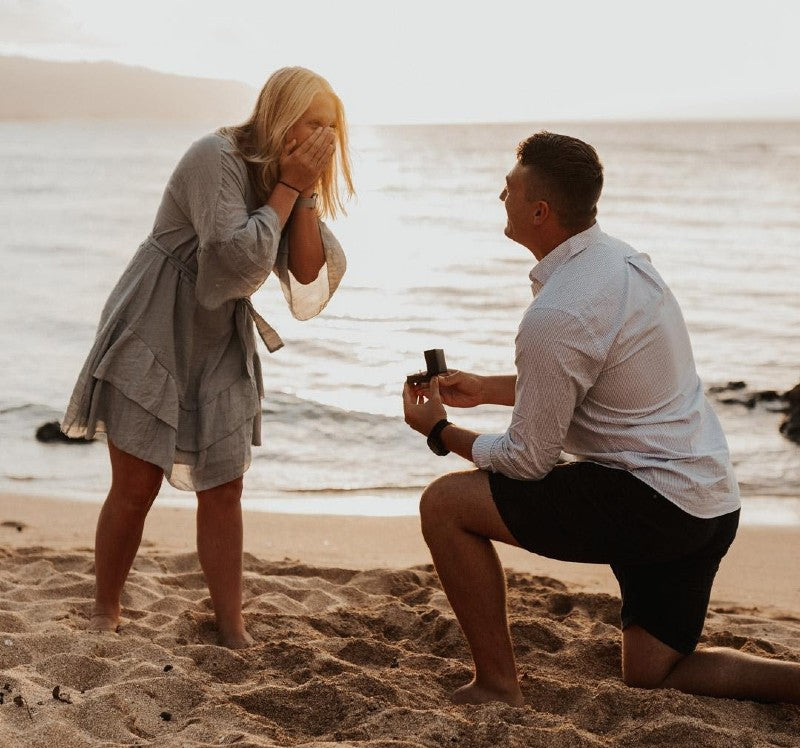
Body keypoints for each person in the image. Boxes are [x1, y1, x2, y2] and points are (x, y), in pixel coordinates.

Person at [402, 131, 800, 707]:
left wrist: (440, 433)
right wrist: (485, 389)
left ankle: (495, 684)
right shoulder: (624, 261)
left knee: (444, 505)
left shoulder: (557, 311)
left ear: (539, 211)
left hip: (654, 503)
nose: (499, 196)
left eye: (508, 189)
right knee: (652, 672)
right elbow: (598, 383)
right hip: (711, 502)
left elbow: (526, 461)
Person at [62, 66, 353, 648]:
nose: (320, 136)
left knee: (225, 487)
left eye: (330, 126)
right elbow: (235, 258)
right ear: (277, 115)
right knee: (137, 483)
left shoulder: (287, 178)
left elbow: (305, 270)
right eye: (309, 122)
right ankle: (105, 608)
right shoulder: (214, 157)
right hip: (156, 319)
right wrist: (289, 189)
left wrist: (303, 191)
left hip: (219, 334)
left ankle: (231, 626)